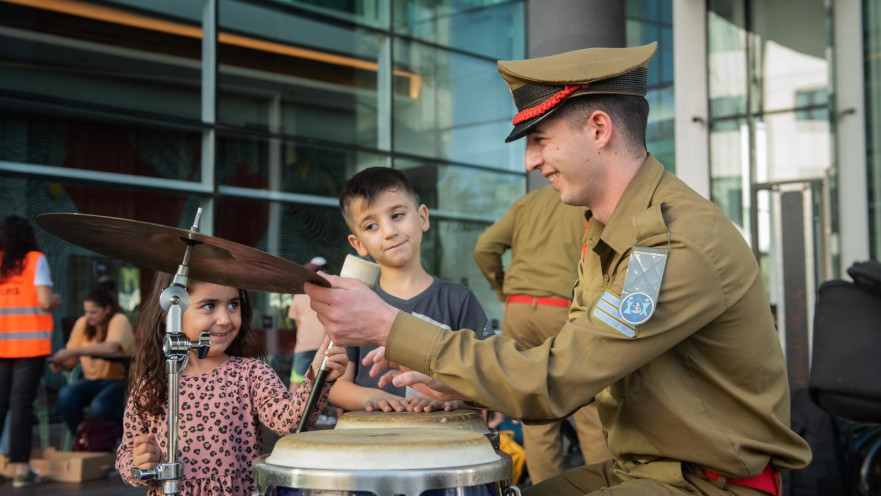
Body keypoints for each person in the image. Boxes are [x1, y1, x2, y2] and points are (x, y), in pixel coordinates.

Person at [305, 42, 813, 496]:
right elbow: (564, 357)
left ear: (598, 129)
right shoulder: (610, 231)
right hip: (646, 469)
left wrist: (388, 327)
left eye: (540, 139)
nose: (530, 161)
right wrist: (463, 382)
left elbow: (557, 378)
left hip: (708, 483)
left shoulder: (673, 242)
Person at [115, 272, 347, 495]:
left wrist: (318, 376)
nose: (225, 319)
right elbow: (125, 458)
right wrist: (140, 463)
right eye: (209, 305)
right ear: (171, 313)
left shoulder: (250, 373)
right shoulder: (152, 385)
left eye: (233, 305)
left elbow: (291, 424)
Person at [328, 167, 494, 414]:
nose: (389, 231)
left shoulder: (459, 300)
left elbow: (491, 381)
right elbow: (336, 386)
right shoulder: (355, 305)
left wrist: (451, 397)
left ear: (423, 217)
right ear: (358, 244)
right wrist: (368, 397)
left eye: (396, 215)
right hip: (371, 445)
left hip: (442, 444)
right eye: (371, 225)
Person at [475, 184, 612, 482]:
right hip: (564, 309)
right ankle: (607, 489)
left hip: (519, 312)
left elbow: (484, 247)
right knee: (589, 409)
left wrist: (503, 291)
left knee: (534, 412)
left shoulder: (526, 203)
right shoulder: (586, 200)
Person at [0, 215, 61, 487]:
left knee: (1, 405)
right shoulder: (36, 260)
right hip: (30, 346)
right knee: (21, 406)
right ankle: (21, 469)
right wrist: (57, 300)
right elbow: (45, 302)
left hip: (2, 345)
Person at [49, 288, 135, 436]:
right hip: (91, 381)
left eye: (93, 312)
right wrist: (60, 365)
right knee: (65, 396)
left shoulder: (119, 320)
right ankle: (83, 439)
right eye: (86, 311)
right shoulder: (83, 323)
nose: (88, 316)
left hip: (120, 381)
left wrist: (70, 352)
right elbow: (72, 360)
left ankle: (122, 439)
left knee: (100, 405)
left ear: (107, 309)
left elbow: (110, 348)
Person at [288, 256, 329, 390]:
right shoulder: (329, 293)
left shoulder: (299, 294)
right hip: (324, 345)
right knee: (329, 384)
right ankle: (339, 412)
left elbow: (297, 322)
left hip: (303, 345)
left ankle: (287, 411)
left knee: (296, 382)